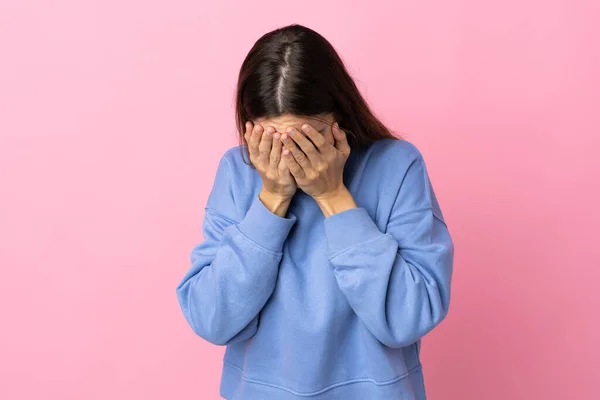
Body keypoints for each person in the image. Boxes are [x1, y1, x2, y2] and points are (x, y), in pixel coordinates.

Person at [176, 23, 454, 400]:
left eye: (305, 138)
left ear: (337, 118)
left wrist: (333, 196)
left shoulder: (397, 166)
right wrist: (271, 199)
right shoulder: (238, 172)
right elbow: (212, 318)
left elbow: (409, 317)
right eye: (272, 141)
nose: (288, 157)